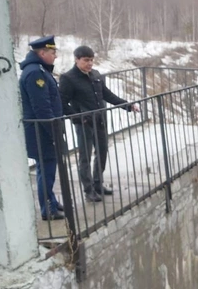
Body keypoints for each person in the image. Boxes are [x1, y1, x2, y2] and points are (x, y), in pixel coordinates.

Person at [59, 46, 140, 202]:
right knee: (85, 157)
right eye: (86, 60)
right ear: (76, 59)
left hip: (100, 120)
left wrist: (127, 105)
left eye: (91, 60)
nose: (89, 63)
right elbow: (62, 103)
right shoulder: (68, 78)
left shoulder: (95, 75)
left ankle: (98, 184)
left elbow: (107, 94)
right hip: (84, 123)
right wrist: (77, 118)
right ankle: (88, 189)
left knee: (102, 153)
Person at [20, 35, 65, 221]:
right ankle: (48, 208)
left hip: (44, 131)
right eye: (53, 52)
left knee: (46, 170)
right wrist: (53, 132)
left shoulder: (39, 70)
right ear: (42, 52)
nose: (55, 56)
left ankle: (51, 201)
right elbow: (42, 108)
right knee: (45, 171)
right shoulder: (35, 73)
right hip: (42, 132)